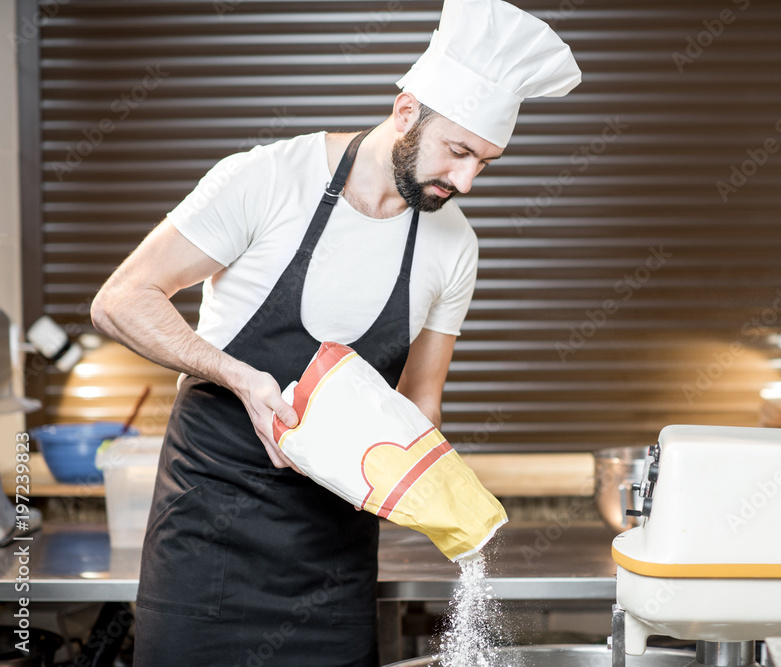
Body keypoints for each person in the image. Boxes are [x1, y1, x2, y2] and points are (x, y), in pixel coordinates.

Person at [91, 0, 580, 664]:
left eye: (485, 162)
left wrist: (439, 498)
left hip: (331, 561)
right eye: (459, 151)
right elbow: (120, 300)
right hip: (208, 543)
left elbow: (421, 401)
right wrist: (241, 376)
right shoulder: (266, 180)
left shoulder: (453, 244)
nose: (465, 180)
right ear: (406, 111)